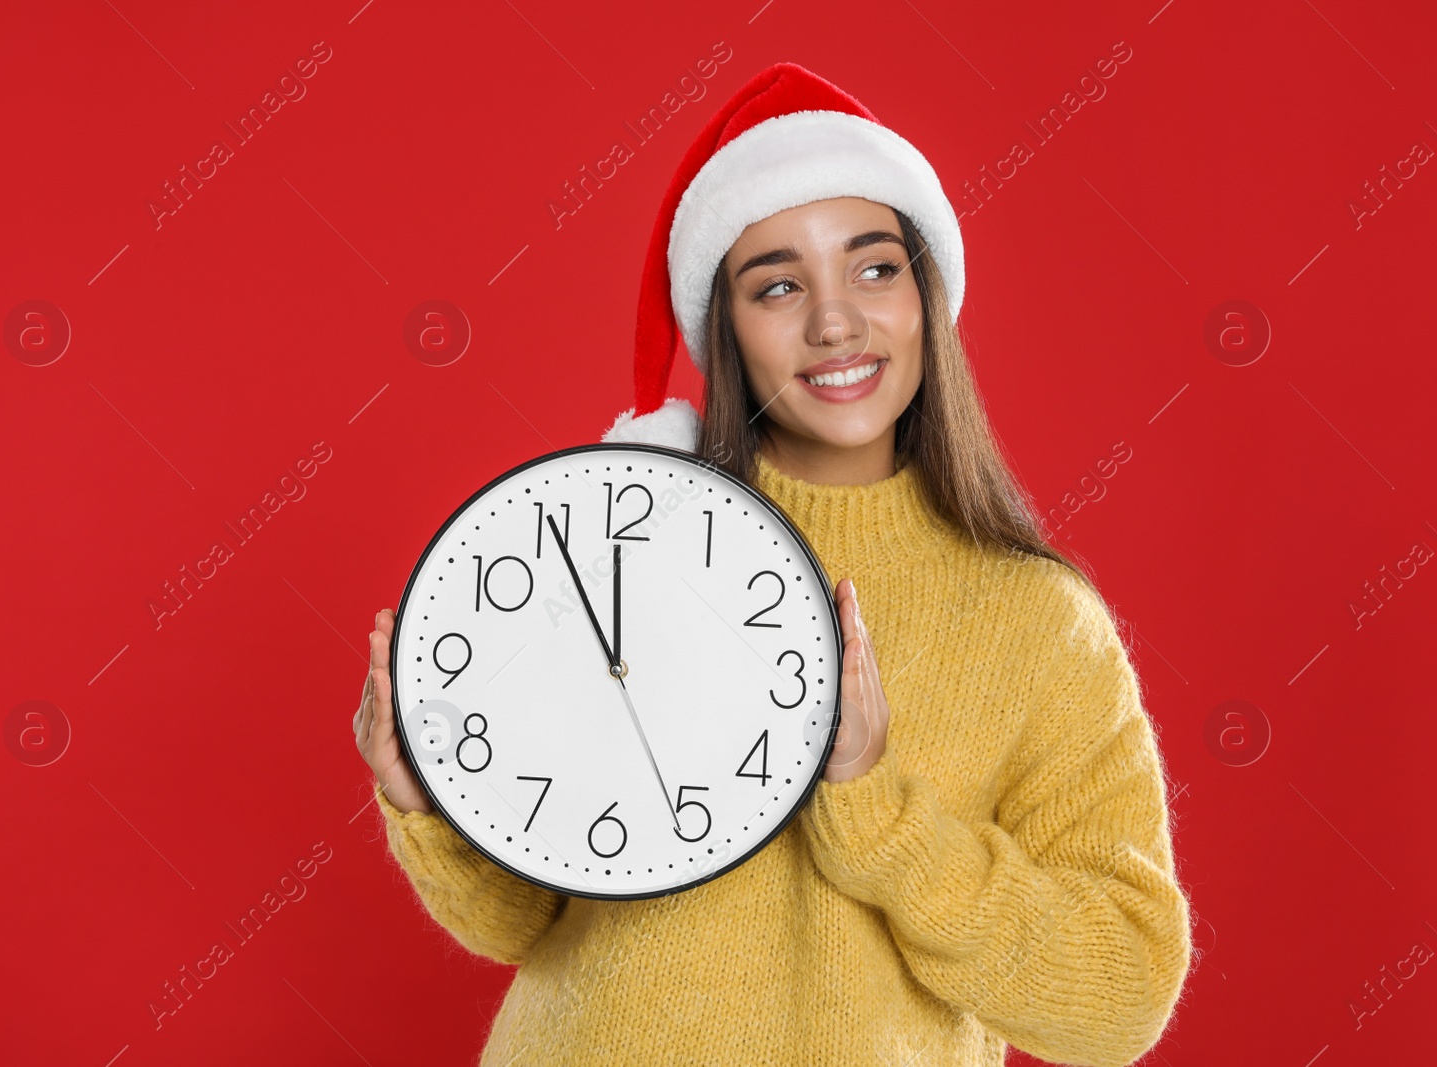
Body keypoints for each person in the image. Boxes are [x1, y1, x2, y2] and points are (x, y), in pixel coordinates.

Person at [354, 61, 1193, 1067]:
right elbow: (521, 925)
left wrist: (874, 807)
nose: (833, 320)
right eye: (778, 284)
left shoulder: (1034, 619)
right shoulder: (614, 549)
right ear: (727, 328)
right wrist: (432, 796)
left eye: (874, 267)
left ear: (924, 294)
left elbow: (1116, 1000)